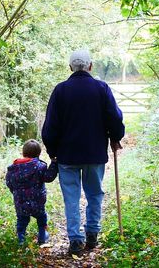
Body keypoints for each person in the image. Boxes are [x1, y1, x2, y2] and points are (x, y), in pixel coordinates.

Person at [42, 49, 125, 255]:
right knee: (95, 194)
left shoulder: (60, 91)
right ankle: (92, 234)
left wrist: (53, 152)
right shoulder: (101, 88)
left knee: (71, 197)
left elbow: (50, 126)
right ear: (90, 66)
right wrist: (116, 137)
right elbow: (114, 117)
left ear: (70, 67)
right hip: (94, 153)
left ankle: (76, 240)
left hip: (67, 155)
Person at [6, 139, 58, 245]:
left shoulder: (13, 168)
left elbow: (9, 183)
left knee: (22, 220)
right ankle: (42, 237)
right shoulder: (39, 166)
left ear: (23, 152)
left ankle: (21, 240)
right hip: (37, 201)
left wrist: (16, 193)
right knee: (41, 218)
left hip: (20, 201)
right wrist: (54, 164)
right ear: (39, 154)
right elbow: (48, 177)